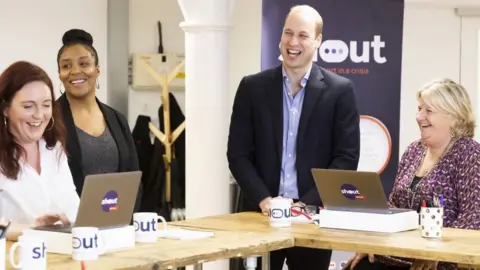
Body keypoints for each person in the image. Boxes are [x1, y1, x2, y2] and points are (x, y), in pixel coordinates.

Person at [227, 5, 360, 270]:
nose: (293, 42)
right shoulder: (252, 87)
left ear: (318, 41)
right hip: (258, 216)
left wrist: (303, 206)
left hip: (312, 220)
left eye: (303, 35)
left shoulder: (340, 91)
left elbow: (346, 158)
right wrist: (265, 201)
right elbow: (238, 154)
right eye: (288, 33)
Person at [345, 78, 480, 270]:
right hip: (395, 254)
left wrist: (437, 253)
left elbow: (474, 218)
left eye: (429, 110)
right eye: (419, 108)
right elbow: (394, 205)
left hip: (439, 262)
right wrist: (373, 242)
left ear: (454, 116)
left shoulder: (469, 154)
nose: (419, 116)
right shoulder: (414, 150)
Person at [56, 29, 143, 212]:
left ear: (97, 70)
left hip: (118, 224)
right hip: (72, 228)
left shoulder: (117, 119)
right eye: (66, 66)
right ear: (59, 74)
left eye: (84, 63)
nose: (75, 71)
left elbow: (133, 178)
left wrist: (126, 221)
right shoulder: (51, 120)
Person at [0, 61, 80, 240]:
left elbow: (74, 208)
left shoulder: (54, 149)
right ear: (5, 109)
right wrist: (32, 229)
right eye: (28, 106)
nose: (39, 115)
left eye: (46, 104)